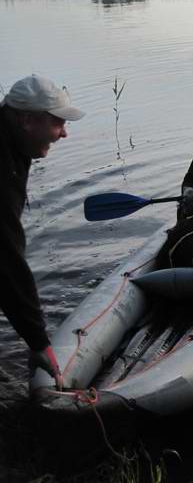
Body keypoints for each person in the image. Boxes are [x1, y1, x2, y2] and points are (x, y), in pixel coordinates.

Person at [1, 74, 85, 390]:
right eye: (57, 123)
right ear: (27, 120)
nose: (64, 133)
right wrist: (38, 342)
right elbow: (6, 258)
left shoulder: (14, 145)